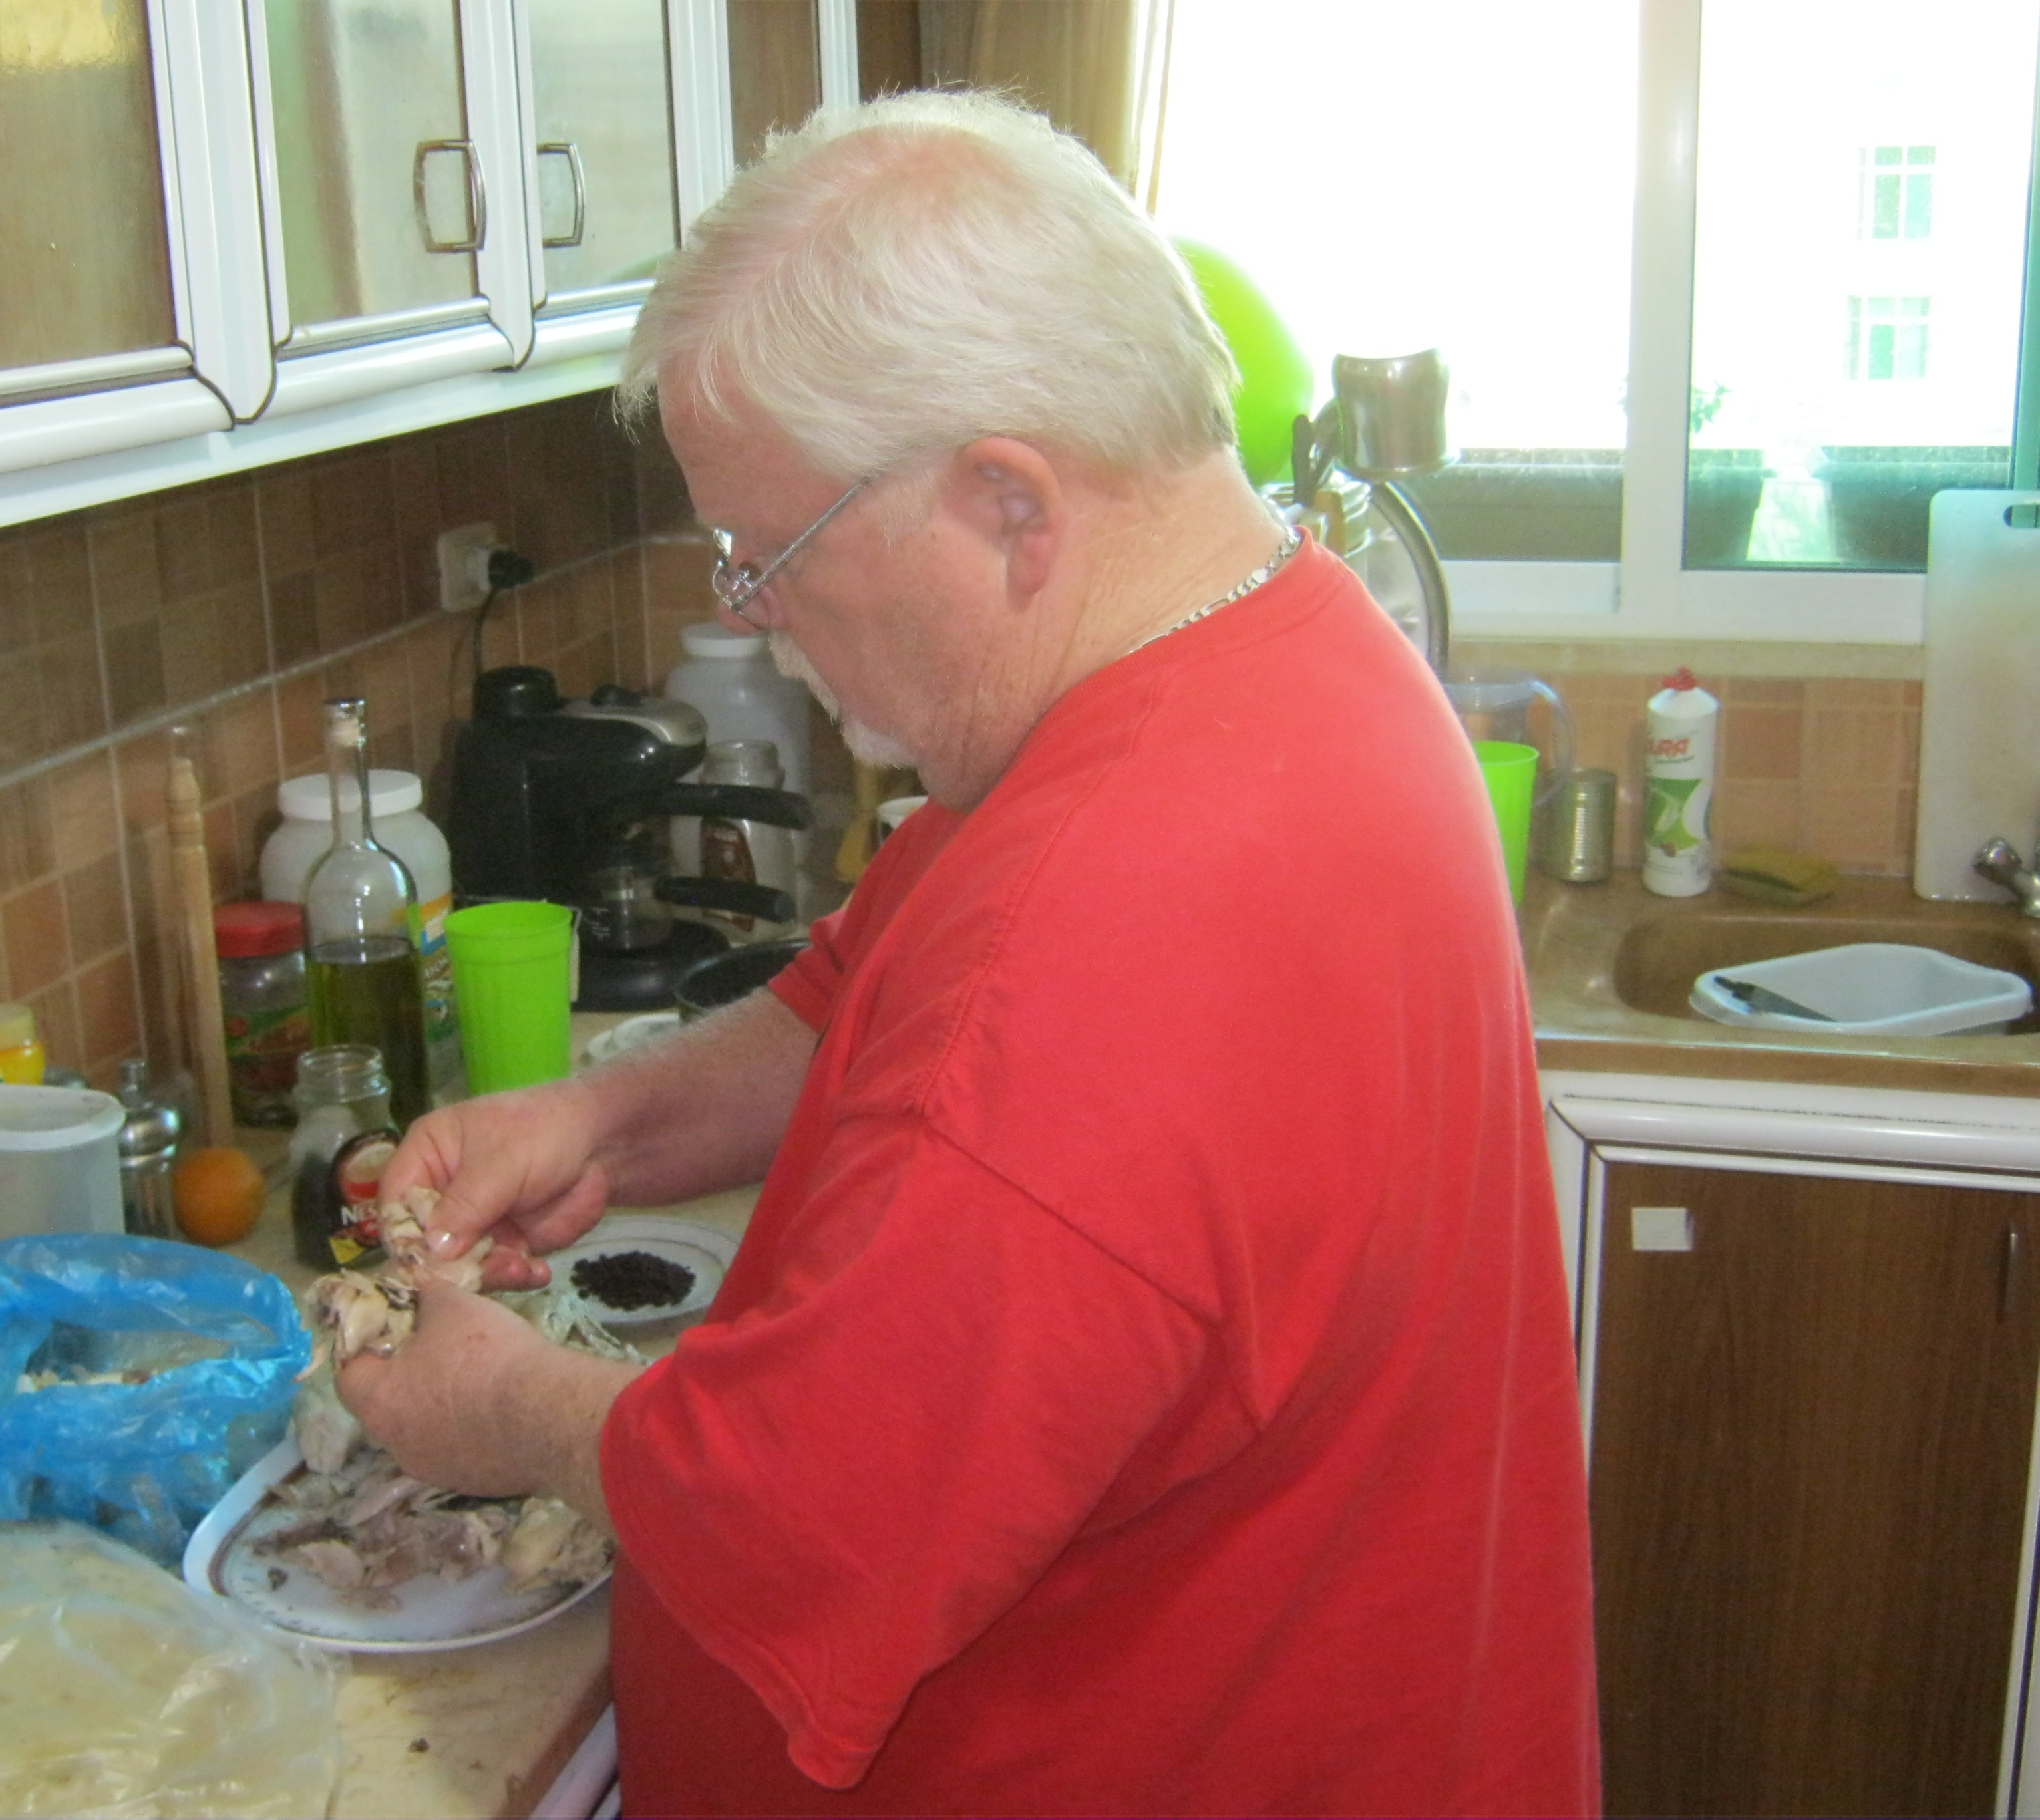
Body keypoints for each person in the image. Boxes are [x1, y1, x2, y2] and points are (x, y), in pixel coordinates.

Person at [338, 90, 1600, 1817]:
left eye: (769, 556)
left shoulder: (1116, 909)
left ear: (1010, 504)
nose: (752, 616)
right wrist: (601, 1123)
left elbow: (806, 1516)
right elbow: (859, 990)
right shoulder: (1259, 655)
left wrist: (510, 1410)